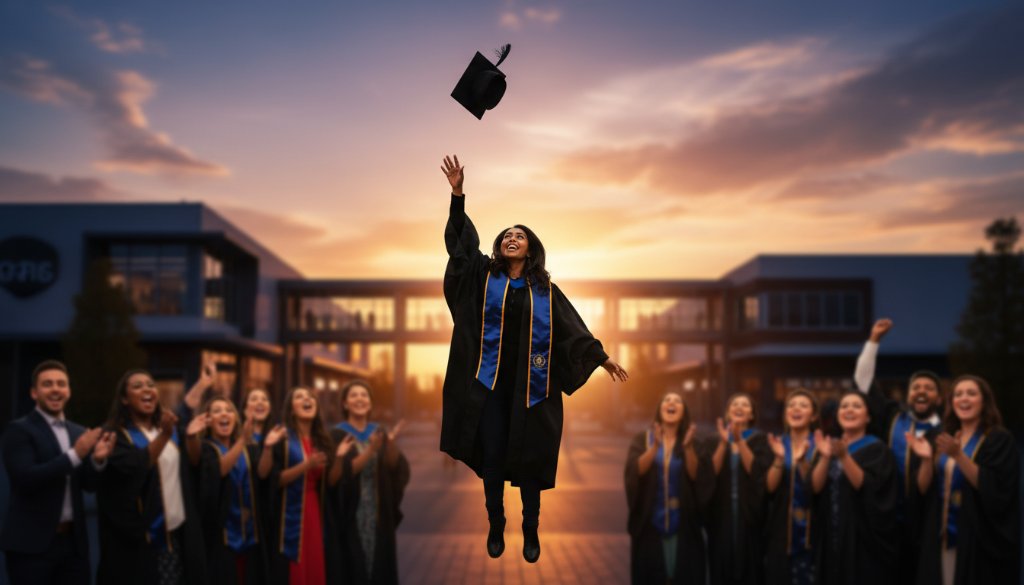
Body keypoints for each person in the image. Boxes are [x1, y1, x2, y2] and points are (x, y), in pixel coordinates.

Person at [439, 154, 628, 562]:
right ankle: (494, 521)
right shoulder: (483, 277)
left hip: (531, 388)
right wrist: (458, 196)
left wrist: (600, 356)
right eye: (506, 234)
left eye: (519, 235)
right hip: (488, 386)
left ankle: (530, 526)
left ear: (530, 247)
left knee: (530, 457)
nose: (511, 237)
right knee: (491, 453)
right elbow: (460, 253)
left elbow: (572, 329)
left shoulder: (545, 291)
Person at [0, 359, 115, 585]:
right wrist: (76, 454)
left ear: (69, 391)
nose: (55, 389)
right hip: (31, 546)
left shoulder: (78, 432)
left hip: (73, 545)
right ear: (34, 393)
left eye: (61, 384)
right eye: (48, 384)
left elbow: (88, 485)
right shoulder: (18, 430)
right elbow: (26, 479)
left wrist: (98, 460)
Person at [96, 369, 208, 585]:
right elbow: (137, 465)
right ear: (124, 398)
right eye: (137, 386)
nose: (147, 389)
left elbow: (191, 459)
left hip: (176, 535)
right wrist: (165, 435)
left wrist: (203, 385)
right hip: (139, 542)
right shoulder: (114, 434)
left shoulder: (167, 429)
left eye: (150, 385)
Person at [854, 318, 944, 582]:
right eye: (916, 387)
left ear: (939, 398)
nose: (921, 392)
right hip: (889, 519)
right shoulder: (894, 418)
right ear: (908, 395)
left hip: (929, 523)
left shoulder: (946, 433)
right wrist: (873, 340)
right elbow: (863, 382)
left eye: (928, 388)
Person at [914, 375, 1020, 585]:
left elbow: (996, 490)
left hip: (977, 538)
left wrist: (959, 456)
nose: (964, 399)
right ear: (951, 402)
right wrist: (926, 461)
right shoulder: (943, 437)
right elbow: (923, 489)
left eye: (971, 394)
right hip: (941, 535)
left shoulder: (998, 439)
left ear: (984, 401)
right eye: (958, 394)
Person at [812, 391, 898, 585]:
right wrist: (825, 457)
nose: (849, 409)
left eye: (856, 406)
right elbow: (815, 488)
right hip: (830, 534)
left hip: (861, 539)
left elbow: (868, 488)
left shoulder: (878, 449)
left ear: (868, 417)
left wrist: (844, 457)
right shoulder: (829, 445)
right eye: (844, 406)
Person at [329, 380, 410, 585]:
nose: (360, 399)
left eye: (364, 395)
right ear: (345, 404)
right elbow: (344, 474)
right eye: (354, 395)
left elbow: (396, 469)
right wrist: (372, 450)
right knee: (353, 566)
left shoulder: (378, 432)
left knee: (379, 567)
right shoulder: (337, 434)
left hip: (378, 512)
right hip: (350, 513)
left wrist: (390, 445)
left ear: (370, 403)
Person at [624, 392, 710, 585]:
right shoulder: (643, 439)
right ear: (660, 409)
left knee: (683, 574)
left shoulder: (693, 441)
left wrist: (687, 448)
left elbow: (698, 477)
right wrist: (654, 447)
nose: (671, 403)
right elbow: (634, 471)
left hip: (684, 523)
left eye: (677, 401)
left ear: (683, 412)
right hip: (651, 522)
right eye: (667, 400)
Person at [261, 387, 338, 585]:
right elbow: (274, 480)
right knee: (295, 571)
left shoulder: (322, 440)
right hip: (289, 514)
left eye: (311, 396)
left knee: (315, 567)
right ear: (291, 409)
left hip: (316, 513)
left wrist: (339, 458)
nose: (307, 399)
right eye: (300, 396)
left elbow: (331, 483)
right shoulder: (282, 437)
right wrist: (306, 465)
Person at [187, 397, 267, 584]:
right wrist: (242, 440)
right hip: (220, 536)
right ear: (208, 421)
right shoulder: (206, 448)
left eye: (229, 410)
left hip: (249, 533)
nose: (224, 413)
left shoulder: (249, 450)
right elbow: (219, 470)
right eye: (216, 411)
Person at [706, 393, 772, 585]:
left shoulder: (760, 440)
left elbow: (757, 472)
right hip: (722, 513)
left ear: (752, 415)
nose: (739, 407)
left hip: (749, 513)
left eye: (745, 405)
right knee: (721, 562)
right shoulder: (714, 440)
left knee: (750, 564)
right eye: (735, 404)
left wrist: (739, 441)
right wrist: (725, 442)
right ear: (727, 413)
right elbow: (711, 473)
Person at [763, 389, 820, 585]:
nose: (796, 408)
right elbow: (770, 487)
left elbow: (817, 487)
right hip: (781, 526)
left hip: (815, 525)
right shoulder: (777, 443)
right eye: (791, 405)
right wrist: (779, 457)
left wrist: (803, 461)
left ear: (814, 415)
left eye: (803, 405)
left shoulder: (821, 446)